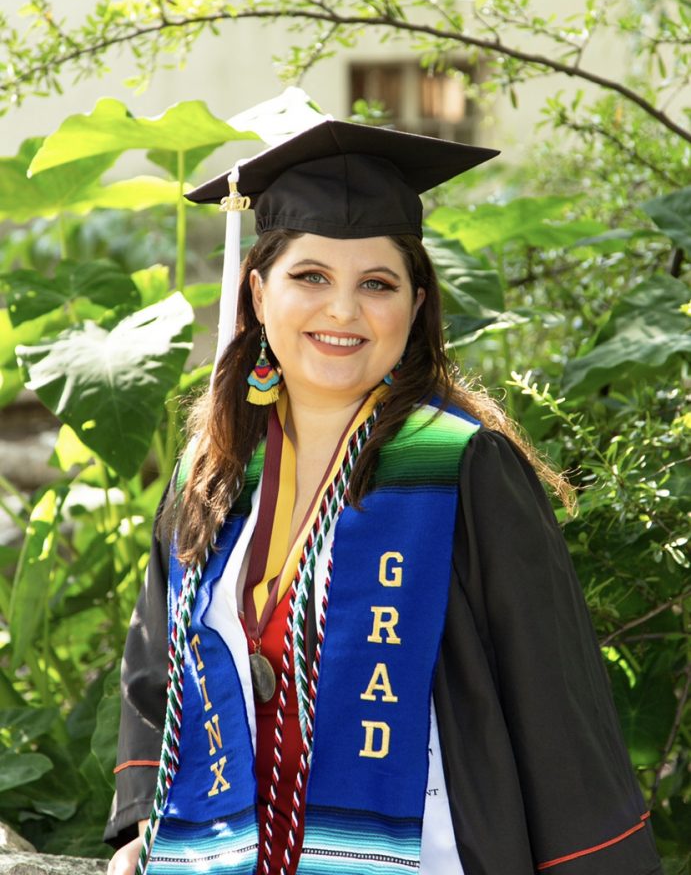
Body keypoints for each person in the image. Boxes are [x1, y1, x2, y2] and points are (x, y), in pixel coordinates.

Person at [105, 119, 662, 875]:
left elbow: (554, 707)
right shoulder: (212, 474)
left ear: (415, 304)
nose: (342, 311)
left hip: (425, 853)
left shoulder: (462, 468)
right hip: (225, 854)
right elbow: (159, 668)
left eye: (376, 283)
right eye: (310, 278)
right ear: (258, 292)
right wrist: (145, 823)